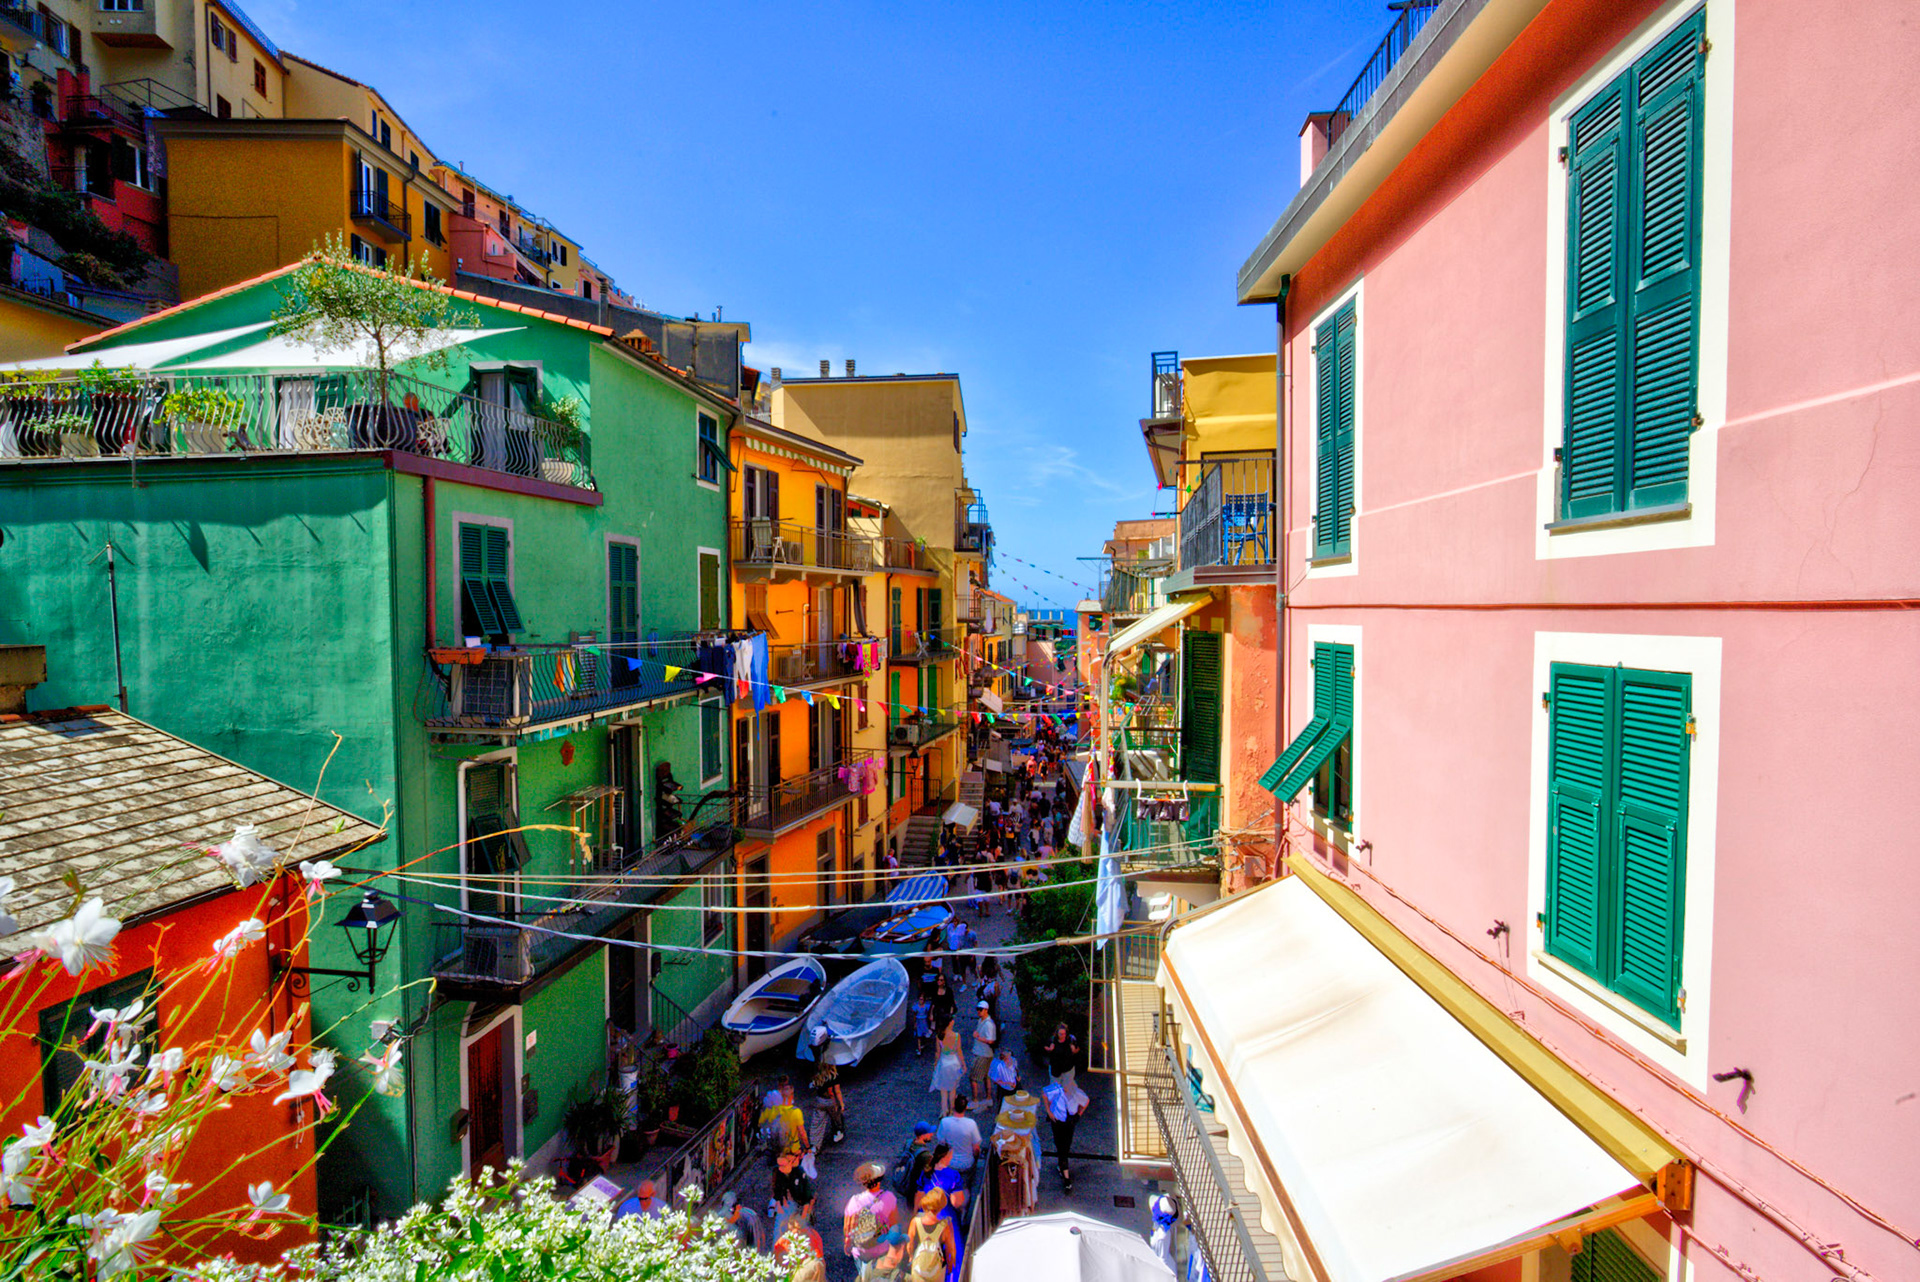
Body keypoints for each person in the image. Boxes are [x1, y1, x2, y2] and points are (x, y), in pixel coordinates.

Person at [915, 1144, 969, 1281]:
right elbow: (956, 1202)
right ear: (946, 1157)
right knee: (954, 1253)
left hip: (926, 1216)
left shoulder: (925, 1173)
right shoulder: (953, 1175)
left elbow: (918, 1200)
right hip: (946, 1215)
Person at [844, 1161, 900, 1271]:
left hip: (861, 1250)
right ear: (879, 1180)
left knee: (864, 1273)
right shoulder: (889, 1197)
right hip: (882, 1247)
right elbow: (894, 1225)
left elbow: (848, 1228)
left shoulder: (854, 1201)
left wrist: (847, 1243)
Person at [809, 1025, 847, 1144]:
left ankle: (815, 1146)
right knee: (837, 1119)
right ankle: (838, 1132)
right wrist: (840, 1104)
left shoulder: (818, 1076)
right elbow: (835, 1091)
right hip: (830, 1101)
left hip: (819, 1100)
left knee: (817, 1124)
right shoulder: (833, 1076)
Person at [907, 1189, 956, 1282]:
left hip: (918, 1268)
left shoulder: (915, 1222)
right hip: (936, 1270)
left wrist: (911, 1257)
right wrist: (950, 1265)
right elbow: (950, 1249)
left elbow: (909, 1244)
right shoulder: (945, 1225)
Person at [771, 1144, 817, 1235]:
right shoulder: (779, 1173)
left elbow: (807, 1196)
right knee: (780, 1232)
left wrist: (804, 1215)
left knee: (800, 1234)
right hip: (787, 1207)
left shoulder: (799, 1172)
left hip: (799, 1207)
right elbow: (777, 1190)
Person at [929, 1017, 965, 1116]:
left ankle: (944, 1110)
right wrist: (963, 1064)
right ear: (950, 1023)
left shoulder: (939, 1036)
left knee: (943, 1088)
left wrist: (935, 1063)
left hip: (943, 1063)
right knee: (952, 1089)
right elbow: (959, 1051)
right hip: (954, 1064)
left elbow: (937, 1053)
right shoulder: (956, 1036)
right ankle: (952, 1110)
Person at [936, 1096, 982, 1172]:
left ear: (953, 1106)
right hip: (967, 1163)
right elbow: (976, 1148)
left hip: (950, 1163)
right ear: (966, 1107)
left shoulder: (944, 1122)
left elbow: (941, 1143)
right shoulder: (971, 1124)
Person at [967, 1000, 996, 1104]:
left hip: (983, 1054)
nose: (978, 1011)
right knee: (985, 1077)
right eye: (977, 1009)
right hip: (985, 1053)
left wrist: (978, 1037)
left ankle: (975, 1100)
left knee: (973, 1077)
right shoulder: (981, 1020)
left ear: (986, 1010)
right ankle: (988, 1098)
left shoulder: (989, 1024)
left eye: (980, 1009)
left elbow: (991, 1040)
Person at [1043, 1023, 1080, 1091]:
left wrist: (1074, 1050)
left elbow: (1077, 1048)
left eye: (1064, 1034)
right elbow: (1045, 1047)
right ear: (1057, 1033)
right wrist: (1049, 1049)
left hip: (1067, 1068)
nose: (1063, 1036)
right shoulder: (1052, 1039)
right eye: (1061, 1034)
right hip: (1055, 1068)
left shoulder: (1071, 1039)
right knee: (1055, 1089)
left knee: (1067, 1089)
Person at [912, 991, 934, 1055]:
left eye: (922, 999)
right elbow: (914, 1015)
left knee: (925, 1035)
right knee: (919, 1036)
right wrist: (915, 1023)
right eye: (920, 999)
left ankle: (923, 1044)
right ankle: (919, 1049)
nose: (920, 1001)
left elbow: (929, 1011)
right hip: (919, 1022)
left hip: (924, 1022)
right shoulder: (916, 1007)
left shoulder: (926, 1006)